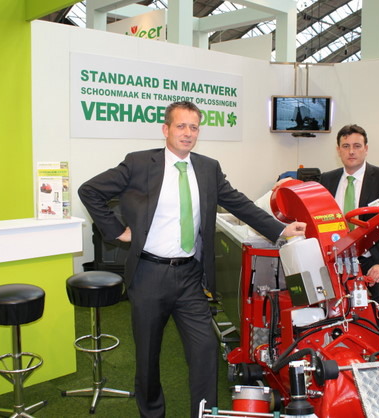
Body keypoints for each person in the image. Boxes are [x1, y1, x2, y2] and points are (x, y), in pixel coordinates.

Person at [78, 101, 306, 418]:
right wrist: (117, 231)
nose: (188, 133)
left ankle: (204, 413)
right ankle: (152, 414)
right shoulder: (139, 163)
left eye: (194, 127)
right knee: (148, 356)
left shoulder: (208, 168)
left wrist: (280, 229)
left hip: (189, 277)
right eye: (181, 126)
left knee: (205, 350)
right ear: (166, 129)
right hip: (148, 274)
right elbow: (90, 191)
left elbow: (239, 203)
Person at [319, 124, 379, 335]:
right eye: (346, 146)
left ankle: (378, 347)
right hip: (335, 259)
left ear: (366, 149)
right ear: (338, 150)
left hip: (373, 259)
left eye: (357, 146)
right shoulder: (326, 180)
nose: (351, 151)